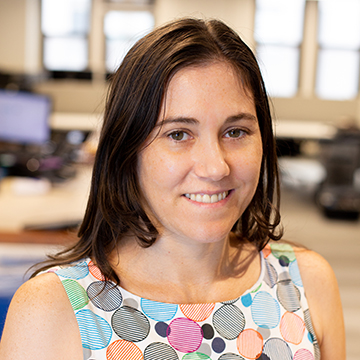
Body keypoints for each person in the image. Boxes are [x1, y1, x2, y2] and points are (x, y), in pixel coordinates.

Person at [0, 18, 345, 360]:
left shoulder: (307, 284)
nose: (215, 167)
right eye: (178, 134)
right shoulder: (51, 312)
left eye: (236, 131)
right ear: (127, 150)